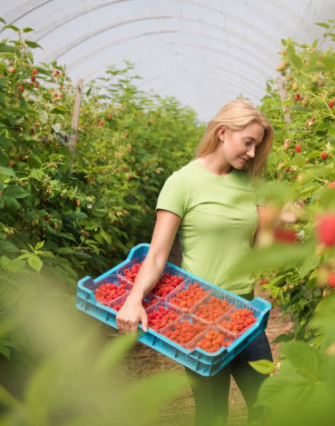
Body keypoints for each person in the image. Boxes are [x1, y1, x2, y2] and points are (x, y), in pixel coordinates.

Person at [116, 98, 275, 426]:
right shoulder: (182, 182)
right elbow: (157, 254)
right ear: (222, 132)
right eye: (247, 142)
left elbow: (263, 244)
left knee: (270, 403)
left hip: (244, 315)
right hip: (198, 318)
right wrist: (133, 300)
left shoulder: (253, 183)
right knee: (212, 413)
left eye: (256, 146)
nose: (251, 152)